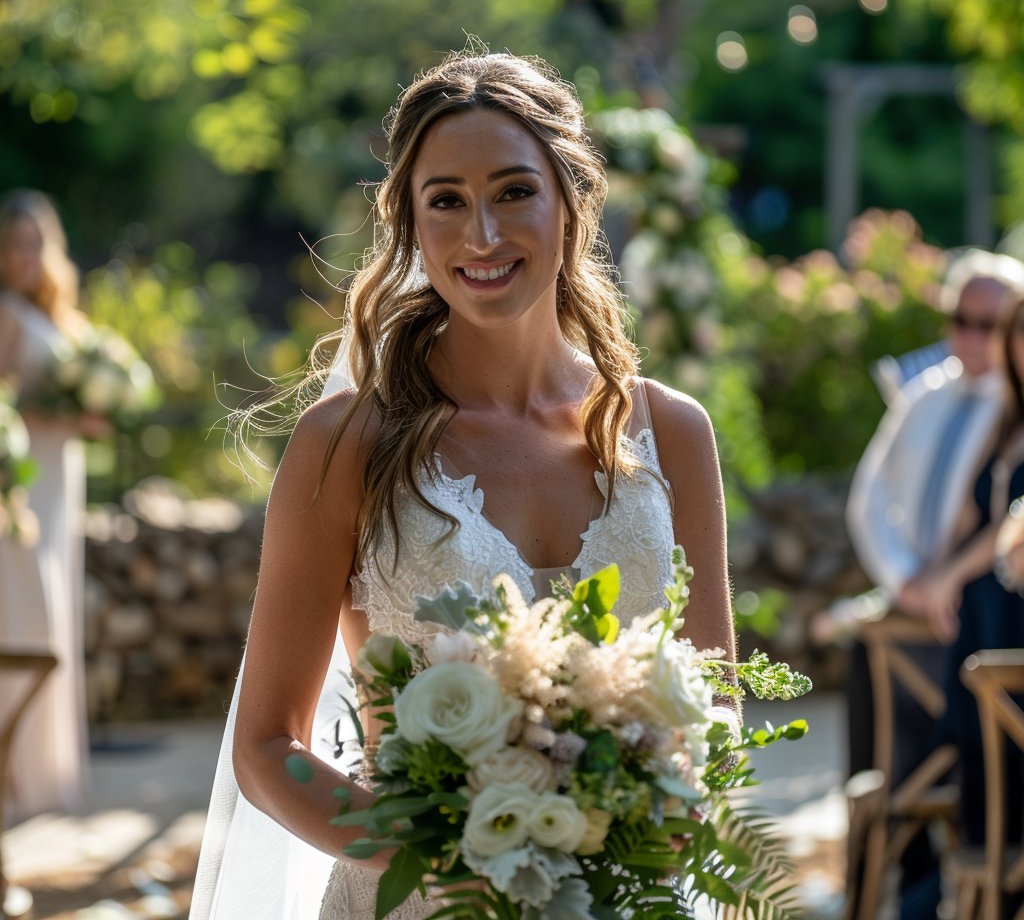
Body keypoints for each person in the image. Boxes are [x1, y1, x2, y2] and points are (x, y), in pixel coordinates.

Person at [188, 50, 735, 919]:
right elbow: (265, 748)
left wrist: (650, 825)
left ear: (573, 202)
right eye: (446, 201)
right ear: (410, 223)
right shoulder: (347, 447)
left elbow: (715, 707)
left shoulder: (671, 432)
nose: (482, 235)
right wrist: (436, 860)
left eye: (514, 192)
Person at [836, 249, 1024, 920]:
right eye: (960, 320)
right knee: (884, 747)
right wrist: (905, 581)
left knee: (960, 754)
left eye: (991, 323)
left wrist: (943, 580)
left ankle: (941, 889)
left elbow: (999, 521)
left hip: (968, 609)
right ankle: (890, 885)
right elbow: (870, 496)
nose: (972, 336)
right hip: (914, 601)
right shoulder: (926, 393)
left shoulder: (1012, 405)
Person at [908, 294, 1024, 875]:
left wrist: (952, 572)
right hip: (984, 613)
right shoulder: (1005, 419)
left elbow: (1008, 525)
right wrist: (930, 574)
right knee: (971, 751)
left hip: (1013, 617)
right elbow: (975, 516)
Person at [0, 189, 90, 817]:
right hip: (25, 479)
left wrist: (93, 411)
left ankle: (46, 774)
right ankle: (16, 774)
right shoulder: (5, 313)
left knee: (56, 611)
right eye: (13, 244)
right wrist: (51, 408)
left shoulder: (58, 316)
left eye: (34, 243)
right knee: (27, 614)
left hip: (63, 478)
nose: (23, 255)